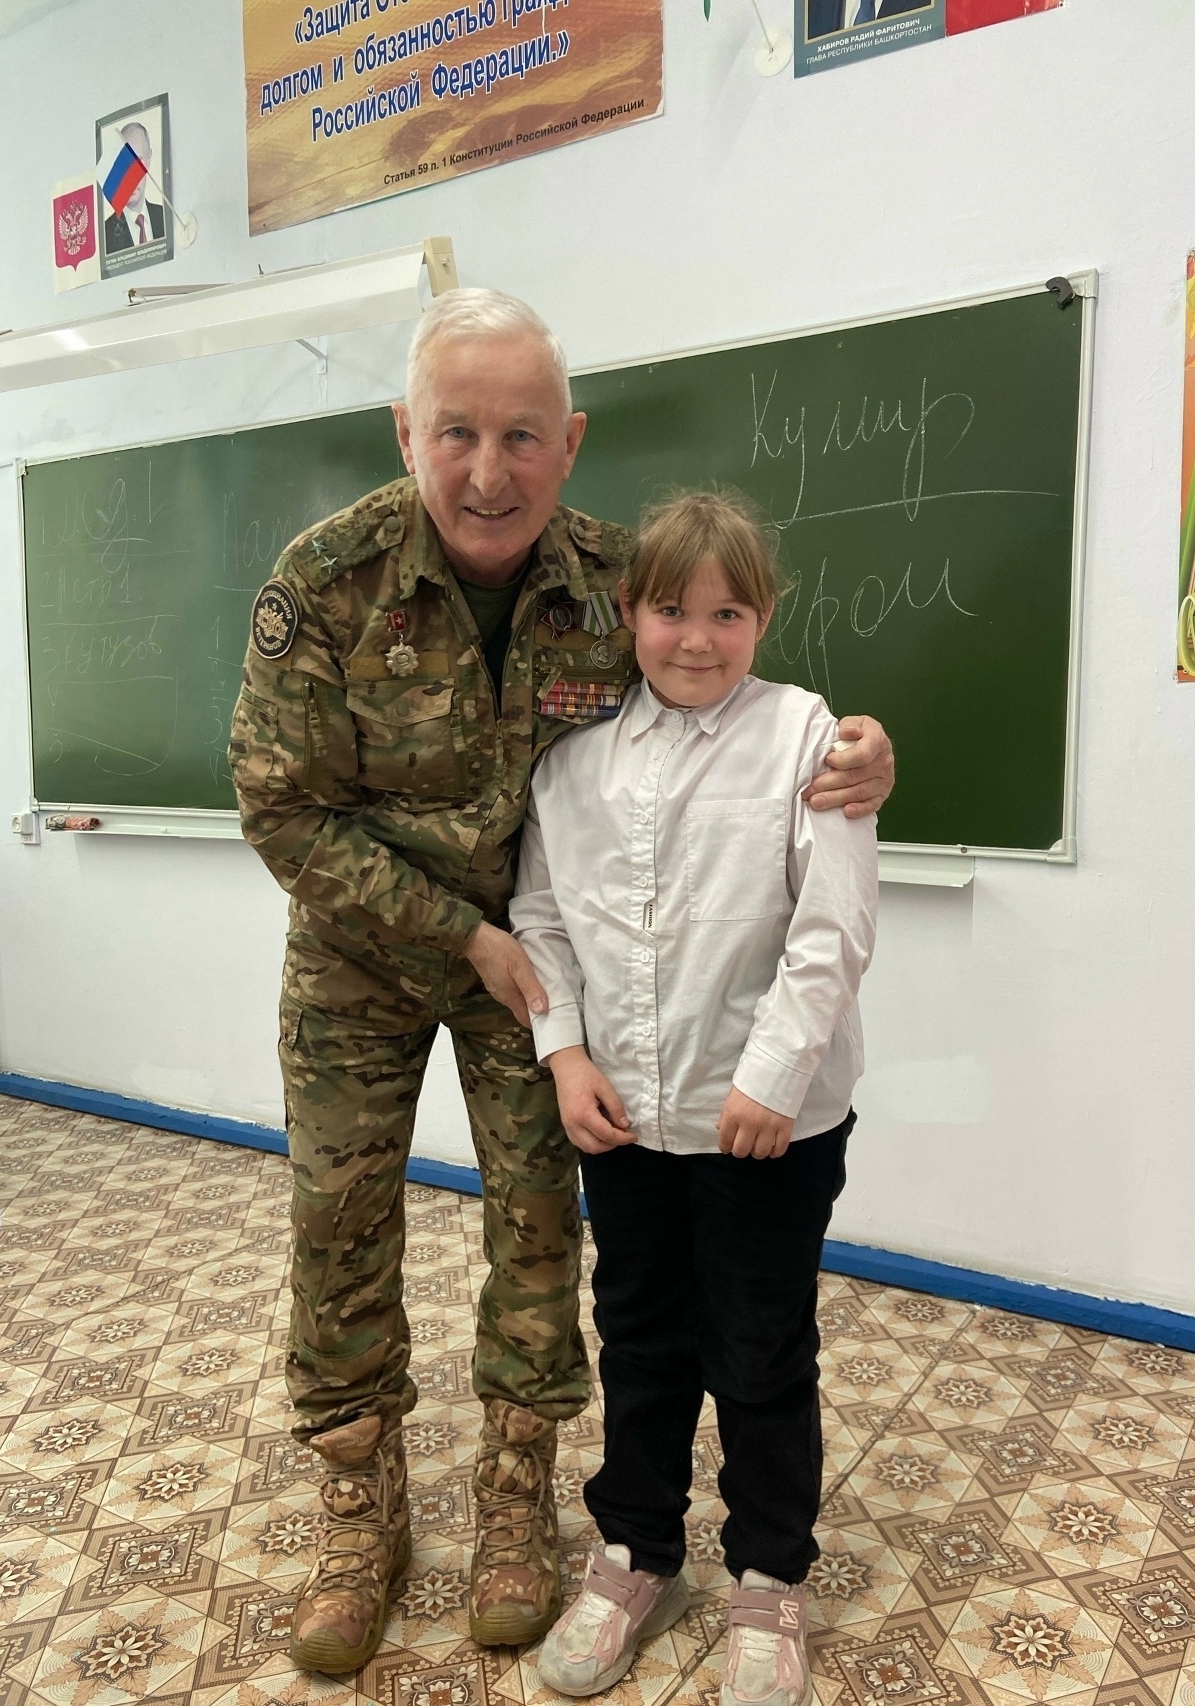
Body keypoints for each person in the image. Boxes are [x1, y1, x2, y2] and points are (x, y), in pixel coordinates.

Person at [227, 290, 895, 1677]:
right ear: (404, 430)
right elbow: (280, 808)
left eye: (522, 434)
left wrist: (864, 753)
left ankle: (523, 1499)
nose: (490, 469)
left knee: (543, 1233)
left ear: (570, 441)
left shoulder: (615, 581)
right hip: (369, 956)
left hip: (547, 976)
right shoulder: (326, 578)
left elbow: (728, 713)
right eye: (456, 432)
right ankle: (359, 1514)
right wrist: (463, 933)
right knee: (339, 1226)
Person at [511, 490, 878, 1706]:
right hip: (623, 1117)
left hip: (766, 1126)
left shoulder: (807, 737)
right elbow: (540, 913)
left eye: (727, 613)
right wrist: (564, 1053)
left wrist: (771, 1076)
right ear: (630, 611)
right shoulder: (572, 756)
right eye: (671, 609)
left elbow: (830, 926)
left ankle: (768, 1573)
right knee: (640, 1336)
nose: (696, 638)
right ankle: (635, 1554)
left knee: (760, 1348)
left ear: (762, 618)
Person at [103, 121, 165, 252]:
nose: (131, 175)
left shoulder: (165, 218)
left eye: (138, 162)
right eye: (125, 163)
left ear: (149, 159)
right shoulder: (105, 235)